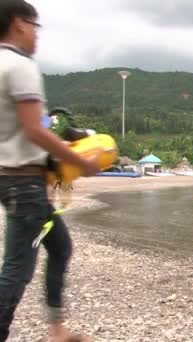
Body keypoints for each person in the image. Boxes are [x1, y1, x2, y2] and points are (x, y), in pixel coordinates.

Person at [0, 1, 99, 341]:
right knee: (18, 266)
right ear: (19, 24)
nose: (37, 34)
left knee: (57, 245)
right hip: (24, 188)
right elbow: (35, 130)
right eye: (35, 26)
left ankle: (57, 329)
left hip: (16, 185)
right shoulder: (20, 66)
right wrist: (83, 162)